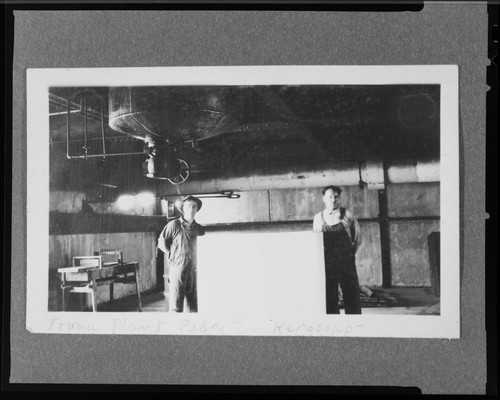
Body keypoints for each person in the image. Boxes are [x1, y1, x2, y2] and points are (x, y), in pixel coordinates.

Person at [313, 185, 362, 314]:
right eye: (330, 197)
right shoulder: (318, 218)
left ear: (339, 198)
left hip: (346, 260)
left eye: (336, 197)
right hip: (327, 262)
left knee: (351, 291)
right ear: (324, 198)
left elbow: (357, 238)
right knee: (329, 292)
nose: (333, 200)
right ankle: (332, 322)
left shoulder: (348, 215)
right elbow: (315, 242)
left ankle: (354, 321)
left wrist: (350, 254)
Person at [157, 195, 205, 312]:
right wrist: (173, 255)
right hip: (178, 268)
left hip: (194, 269)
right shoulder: (174, 225)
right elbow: (161, 243)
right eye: (189, 206)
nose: (192, 209)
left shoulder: (199, 229)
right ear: (183, 209)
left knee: (193, 304)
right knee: (176, 304)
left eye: (194, 207)